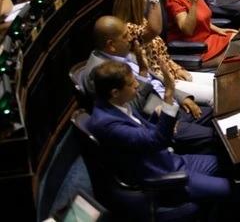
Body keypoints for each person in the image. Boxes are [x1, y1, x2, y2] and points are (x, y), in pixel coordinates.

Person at [88, 61, 231, 205]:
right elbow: (157, 141)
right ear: (115, 92)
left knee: (231, 165)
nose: (137, 84)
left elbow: (141, 131)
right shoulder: (108, 124)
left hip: (172, 160)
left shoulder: (116, 104)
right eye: (131, 84)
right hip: (165, 174)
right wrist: (168, 96)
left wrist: (159, 118)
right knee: (231, 189)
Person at [79, 16, 216, 154]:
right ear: (111, 45)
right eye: (125, 36)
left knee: (217, 112)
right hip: (156, 119)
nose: (130, 38)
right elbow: (132, 108)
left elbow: (157, 80)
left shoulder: (124, 54)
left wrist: (182, 97)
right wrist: (143, 73)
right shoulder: (99, 73)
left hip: (171, 105)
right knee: (215, 136)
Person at [113, 0, 215, 105]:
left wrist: (177, 69)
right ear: (134, 1)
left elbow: (163, 56)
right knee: (214, 94)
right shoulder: (127, 29)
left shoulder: (143, 20)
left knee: (217, 80)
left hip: (173, 73)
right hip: (162, 82)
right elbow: (155, 30)